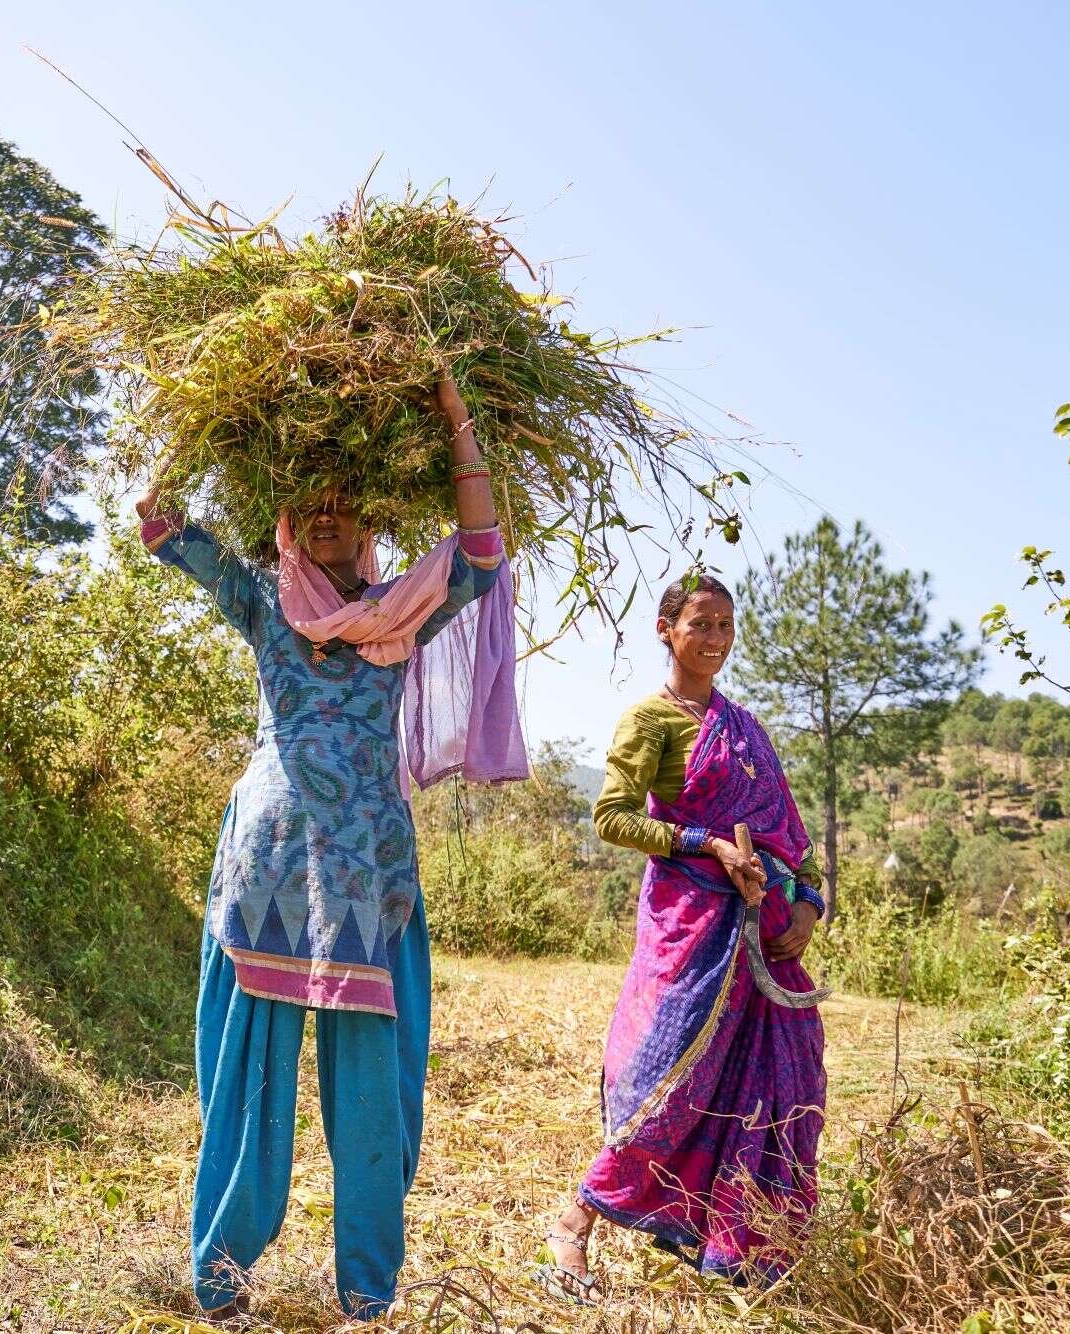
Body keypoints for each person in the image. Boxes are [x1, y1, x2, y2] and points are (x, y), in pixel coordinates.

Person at [136, 374, 528, 1320]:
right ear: (285, 517)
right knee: (247, 1072)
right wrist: (204, 409)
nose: (328, 525)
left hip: (365, 874)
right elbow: (157, 523)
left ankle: (367, 1296)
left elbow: (482, 550)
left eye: (345, 513)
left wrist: (454, 419)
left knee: (370, 1090)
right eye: (309, 509)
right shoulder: (261, 601)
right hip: (266, 870)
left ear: (370, 533)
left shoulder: (403, 614)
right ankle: (220, 1278)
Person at [537, 572, 827, 1301]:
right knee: (666, 1081)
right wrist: (704, 843)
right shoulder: (653, 720)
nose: (716, 639)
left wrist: (806, 906)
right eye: (701, 623)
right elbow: (612, 816)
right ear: (666, 630)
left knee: (776, 1084)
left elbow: (788, 838)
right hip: (691, 931)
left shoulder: (746, 727)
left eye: (726, 625)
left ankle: (735, 1242)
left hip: (764, 937)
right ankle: (575, 1220)